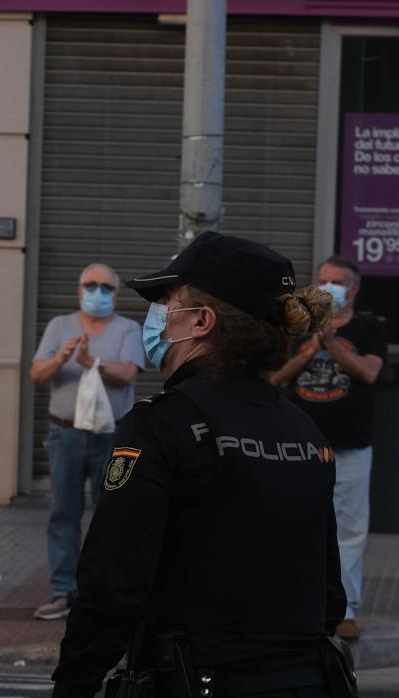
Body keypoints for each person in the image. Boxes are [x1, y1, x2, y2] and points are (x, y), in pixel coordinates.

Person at [52, 232, 346, 698]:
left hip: (198, 681)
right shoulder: (305, 432)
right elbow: (330, 592)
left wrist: (73, 684)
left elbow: (111, 582)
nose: (157, 318)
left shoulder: (162, 425)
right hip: (305, 681)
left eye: (167, 302)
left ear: (202, 321)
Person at [271, 255, 386, 640]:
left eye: (336, 282)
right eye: (322, 280)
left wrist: (332, 344)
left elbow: (368, 372)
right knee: (292, 523)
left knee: (349, 532)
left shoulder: (368, 328)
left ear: (352, 289)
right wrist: (308, 350)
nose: (328, 287)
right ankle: (292, 604)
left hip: (352, 447)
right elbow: (273, 377)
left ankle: (346, 610)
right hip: (299, 446)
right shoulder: (297, 327)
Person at [29, 263, 145, 620]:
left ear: (117, 293)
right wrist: (63, 357)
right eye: (91, 285)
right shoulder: (59, 327)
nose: (98, 292)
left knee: (108, 513)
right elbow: (37, 374)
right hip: (65, 433)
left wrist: (91, 362)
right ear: (79, 291)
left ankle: (102, 590)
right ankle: (65, 590)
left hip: (110, 435)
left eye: (106, 287)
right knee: (63, 512)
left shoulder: (128, 328)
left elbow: (127, 374)